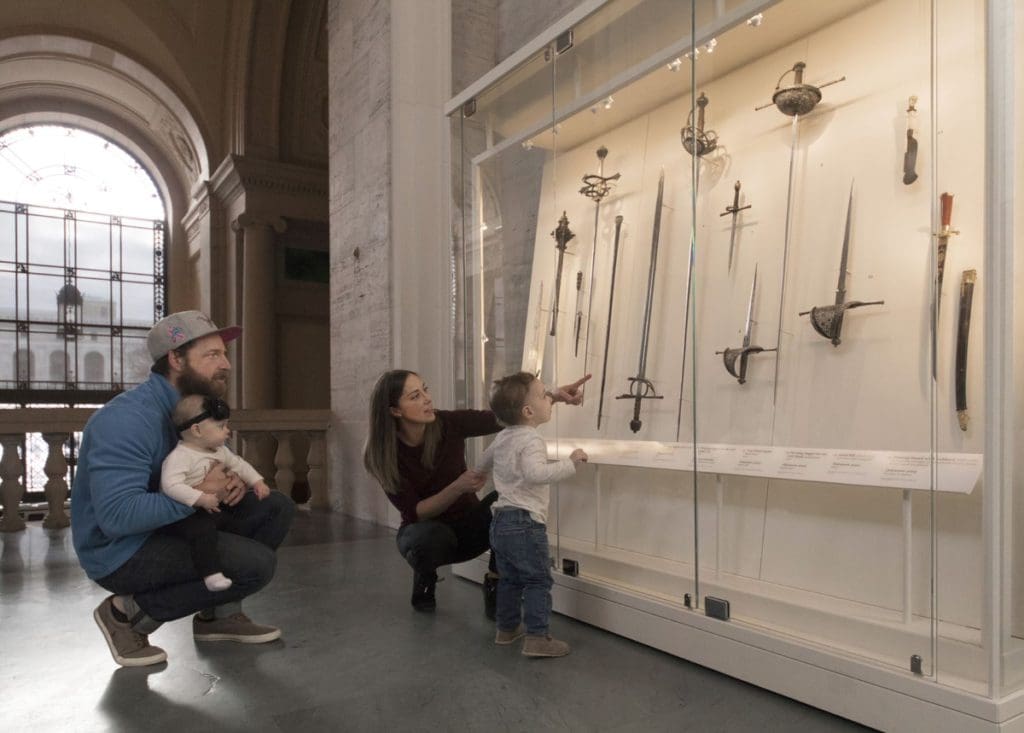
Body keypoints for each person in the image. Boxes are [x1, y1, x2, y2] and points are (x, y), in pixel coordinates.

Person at [71, 310, 295, 667]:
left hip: (174, 525)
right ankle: (125, 614)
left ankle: (218, 616)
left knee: (275, 507)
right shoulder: (126, 420)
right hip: (121, 549)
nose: (226, 365)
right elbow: (116, 517)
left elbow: (212, 464)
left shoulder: (195, 411)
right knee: (256, 566)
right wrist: (201, 494)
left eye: (224, 354)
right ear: (175, 359)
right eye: (212, 355)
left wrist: (230, 481)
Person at [363, 369, 589, 616]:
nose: (427, 399)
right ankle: (425, 576)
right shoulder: (381, 455)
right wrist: (458, 486)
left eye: (425, 390)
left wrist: (552, 397)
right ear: (395, 411)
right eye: (415, 396)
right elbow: (416, 513)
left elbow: (507, 414)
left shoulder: (447, 423)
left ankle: (495, 582)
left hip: (471, 526)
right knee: (424, 541)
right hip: (428, 532)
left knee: (509, 506)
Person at [476, 372, 587, 658]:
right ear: (528, 411)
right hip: (526, 523)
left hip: (500, 522)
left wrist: (483, 476)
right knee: (538, 580)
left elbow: (481, 463)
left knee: (510, 579)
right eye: (543, 395)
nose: (549, 398)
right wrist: (571, 463)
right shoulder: (532, 439)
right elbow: (536, 474)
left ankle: (507, 629)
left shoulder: (502, 437)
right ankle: (537, 637)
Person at [160, 394, 272, 592]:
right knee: (202, 532)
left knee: (235, 522)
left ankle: (243, 561)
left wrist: (257, 481)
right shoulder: (181, 456)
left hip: (212, 507)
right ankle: (211, 574)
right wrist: (200, 498)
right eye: (221, 427)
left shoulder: (219, 450)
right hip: (186, 514)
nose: (227, 432)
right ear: (196, 430)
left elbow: (239, 463)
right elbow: (170, 485)